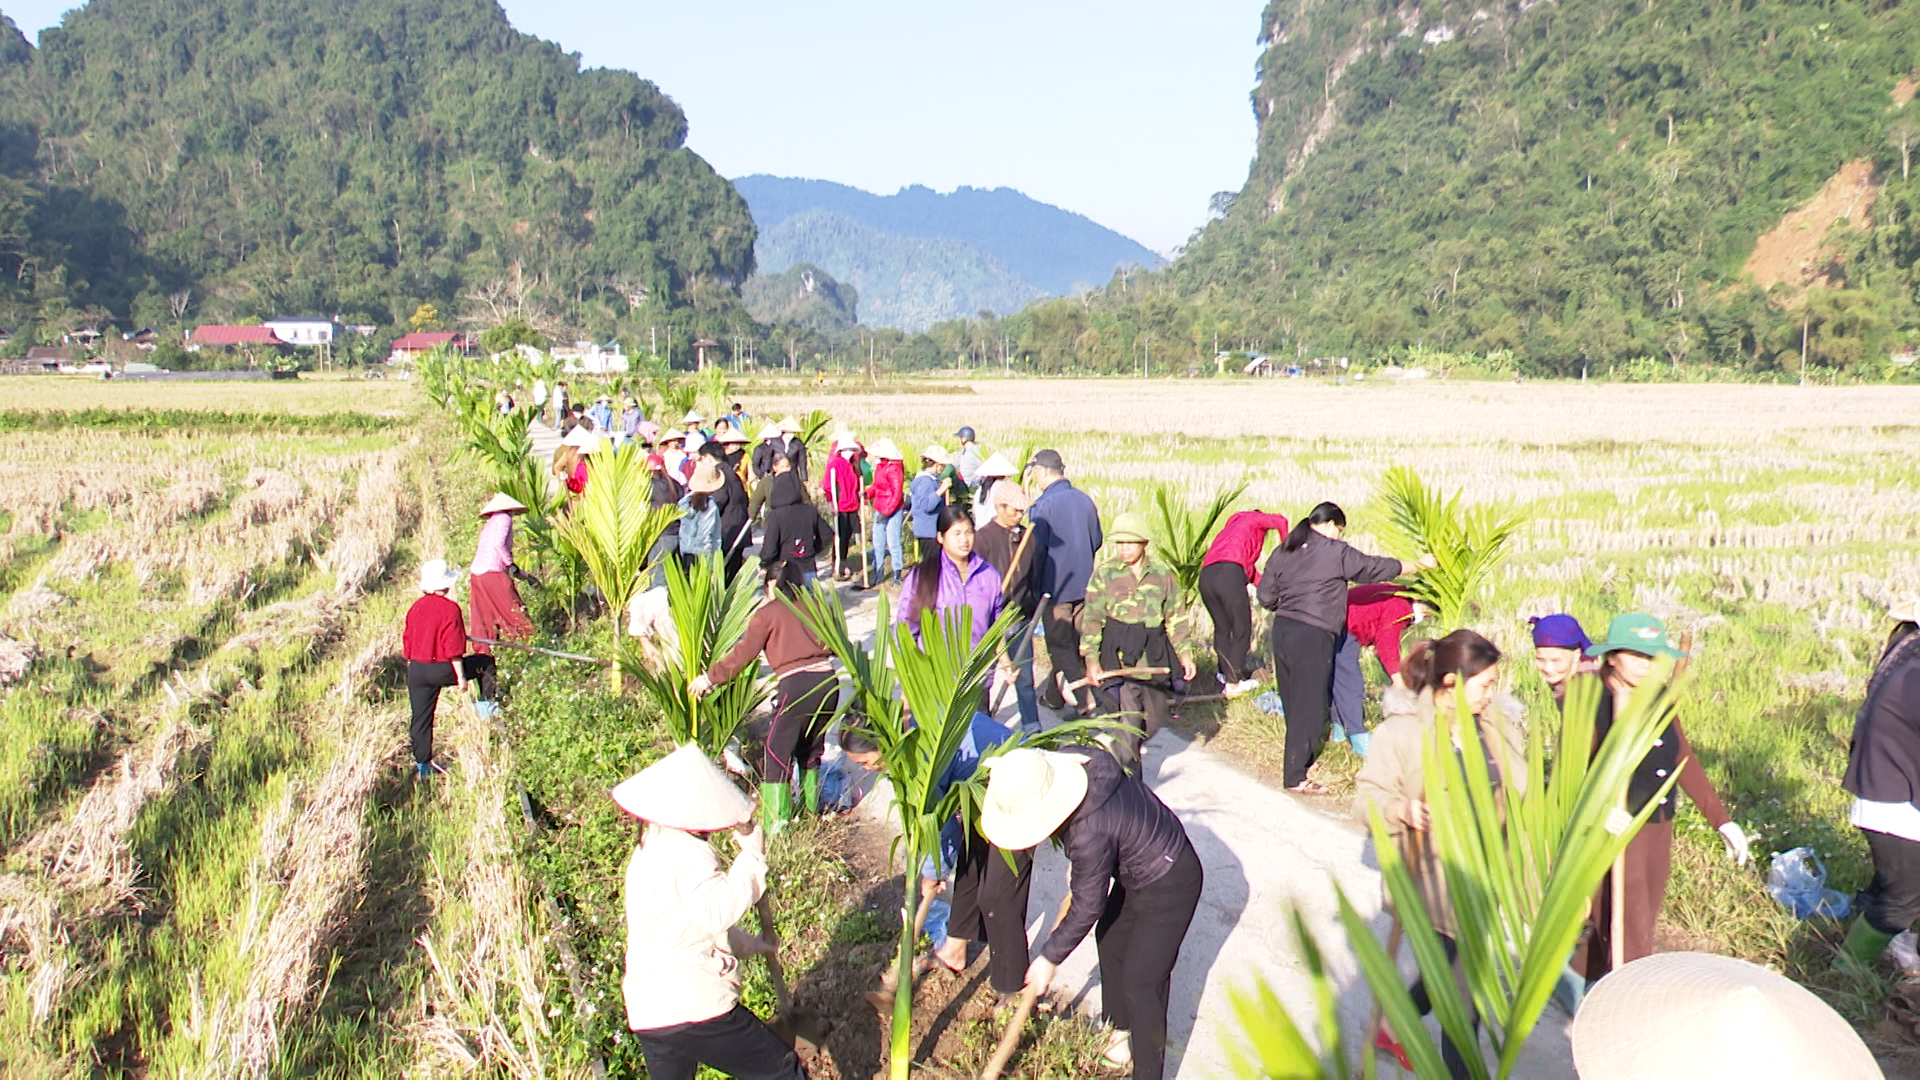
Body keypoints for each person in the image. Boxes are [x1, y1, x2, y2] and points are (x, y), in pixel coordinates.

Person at [1355, 630, 1526, 1077]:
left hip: (1482, 881)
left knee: (1442, 976)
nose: (1492, 695)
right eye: (1485, 685)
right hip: (1429, 885)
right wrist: (1401, 809)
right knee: (1461, 1003)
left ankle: (1393, 1023)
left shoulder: (1497, 730)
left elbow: (1523, 802)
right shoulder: (1403, 733)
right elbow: (1366, 799)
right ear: (1451, 681)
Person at [979, 744, 1203, 1078]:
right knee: (1111, 939)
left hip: (1170, 879)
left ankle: (1149, 1073)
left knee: (1142, 982)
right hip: (1137, 868)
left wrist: (1048, 959)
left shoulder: (1088, 831)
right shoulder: (1077, 762)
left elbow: (1088, 904)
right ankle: (1118, 1031)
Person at [612, 745, 803, 1080]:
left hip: (649, 1011)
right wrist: (751, 855)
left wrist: (756, 945)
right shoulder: (687, 852)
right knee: (781, 1071)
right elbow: (717, 912)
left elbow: (692, 925)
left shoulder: (648, 850)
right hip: (692, 1004)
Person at [1576, 613, 1749, 981]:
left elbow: (1681, 756)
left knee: (1643, 915)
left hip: (1657, 825)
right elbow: (1571, 772)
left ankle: (1601, 992)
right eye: (1636, 655)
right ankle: (1624, 1003)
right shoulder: (1591, 701)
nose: (1644, 666)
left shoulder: (1658, 696)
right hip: (1617, 830)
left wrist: (1722, 820)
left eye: (1652, 658)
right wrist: (1599, 811)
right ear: (1611, 656)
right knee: (1625, 921)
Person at [842, 714, 1029, 991]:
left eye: (865, 762)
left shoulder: (922, 760)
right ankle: (954, 950)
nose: (868, 770)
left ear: (882, 744)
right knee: (970, 865)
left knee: (999, 896)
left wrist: (932, 874)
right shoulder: (908, 744)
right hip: (983, 791)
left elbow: (939, 828)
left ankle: (1013, 986)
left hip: (1019, 787)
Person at [1256, 502, 1426, 795]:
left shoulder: (1286, 548)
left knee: (1294, 699)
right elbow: (1373, 568)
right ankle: (1296, 776)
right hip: (1313, 634)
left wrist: (1285, 606)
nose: (1339, 535)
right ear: (1331, 524)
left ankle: (1297, 765)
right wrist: (1417, 565)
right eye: (1339, 529)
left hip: (1283, 629)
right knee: (1310, 706)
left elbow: (1266, 595)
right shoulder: (1335, 552)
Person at [691, 563, 837, 831]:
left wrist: (709, 678)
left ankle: (777, 824)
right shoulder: (818, 605)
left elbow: (743, 654)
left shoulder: (769, 613)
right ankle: (809, 813)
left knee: (776, 751)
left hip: (796, 686)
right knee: (810, 749)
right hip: (828, 683)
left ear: (772, 586)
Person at [1838, 598, 1920, 967]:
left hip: (1891, 793)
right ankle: (1845, 971)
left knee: (1896, 887)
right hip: (1893, 805)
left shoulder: (1905, 662)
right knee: (1903, 899)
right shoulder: (1914, 674)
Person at [1082, 513, 1194, 769]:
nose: (1124, 549)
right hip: (1121, 655)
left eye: (1130, 544)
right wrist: (1091, 659)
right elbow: (1092, 617)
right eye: (1119, 544)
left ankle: (1125, 750)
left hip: (1154, 655)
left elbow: (1176, 616)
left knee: (1152, 722)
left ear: (1144, 544)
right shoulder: (1105, 574)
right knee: (1129, 722)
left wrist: (1185, 654)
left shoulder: (1162, 574)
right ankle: (1128, 777)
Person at [1026, 449, 1104, 716]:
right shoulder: (1085, 501)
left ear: (1043, 471)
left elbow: (1036, 552)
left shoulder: (1042, 506)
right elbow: (1097, 540)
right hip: (1085, 585)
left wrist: (1034, 590)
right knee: (1073, 642)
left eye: (1034, 471)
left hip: (1055, 588)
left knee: (1060, 645)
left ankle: (1084, 698)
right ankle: (1053, 696)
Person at [402, 559, 496, 779]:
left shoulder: (415, 608)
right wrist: (461, 678)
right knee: (485, 663)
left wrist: (412, 667)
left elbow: (408, 642)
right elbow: (454, 648)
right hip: (442, 668)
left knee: (421, 718)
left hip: (417, 669)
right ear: (446, 584)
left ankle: (423, 766)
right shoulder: (450, 609)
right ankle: (486, 710)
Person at [1198, 509, 1289, 697]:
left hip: (1206, 575)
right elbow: (1280, 520)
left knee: (1223, 628)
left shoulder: (1231, 529)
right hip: (1229, 573)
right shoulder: (1254, 518)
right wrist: (1288, 551)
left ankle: (1224, 675)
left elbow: (1250, 572)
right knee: (1242, 629)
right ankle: (1233, 683)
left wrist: (1274, 592)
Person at [976, 481, 1042, 733]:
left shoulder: (1028, 536)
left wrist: (1032, 605)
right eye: (1014, 510)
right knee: (985, 677)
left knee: (1024, 675)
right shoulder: (982, 539)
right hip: (990, 619)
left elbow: (1034, 575)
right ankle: (982, 724)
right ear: (1000, 507)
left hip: (1020, 616)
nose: (1019, 515)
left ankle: (1032, 726)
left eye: (1022, 511)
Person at [898, 505, 1004, 654]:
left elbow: (996, 626)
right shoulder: (922, 577)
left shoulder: (989, 575)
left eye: (968, 532)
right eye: (957, 533)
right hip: (937, 672)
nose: (964, 540)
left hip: (978, 671)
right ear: (940, 537)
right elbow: (906, 628)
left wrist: (1005, 661)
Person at [1331, 583, 1416, 758]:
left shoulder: (1398, 595)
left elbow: (1381, 633)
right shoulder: (1402, 606)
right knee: (1350, 683)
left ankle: (1339, 730)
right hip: (1344, 624)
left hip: (1339, 618)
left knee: (1338, 680)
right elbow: (1386, 643)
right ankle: (1358, 737)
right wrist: (1398, 680)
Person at [467, 493, 537, 654]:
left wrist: (525, 576)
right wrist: (511, 564)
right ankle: (529, 645)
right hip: (492, 572)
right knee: (512, 608)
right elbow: (499, 546)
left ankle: (484, 652)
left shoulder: (490, 523)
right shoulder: (504, 519)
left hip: (477, 574)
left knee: (483, 616)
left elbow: (501, 554)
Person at [758, 471, 832, 586]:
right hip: (808, 568)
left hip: (784, 571)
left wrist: (764, 564)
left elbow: (769, 548)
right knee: (810, 603)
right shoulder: (809, 511)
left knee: (785, 603)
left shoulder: (775, 516)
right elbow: (827, 535)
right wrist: (813, 549)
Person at [698, 439, 754, 577]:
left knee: (723, 576)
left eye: (701, 460)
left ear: (707, 458)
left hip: (726, 532)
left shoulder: (720, 474)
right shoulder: (731, 472)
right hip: (737, 529)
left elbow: (719, 501)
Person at [862, 438, 908, 589]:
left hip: (893, 509)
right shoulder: (880, 466)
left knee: (893, 542)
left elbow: (896, 494)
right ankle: (878, 570)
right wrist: (866, 494)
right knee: (878, 541)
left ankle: (896, 574)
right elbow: (876, 486)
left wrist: (887, 512)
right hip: (880, 507)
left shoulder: (895, 468)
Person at [820, 436, 863, 582]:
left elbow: (856, 484)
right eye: (848, 449)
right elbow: (828, 485)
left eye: (852, 450)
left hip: (852, 505)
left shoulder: (852, 465)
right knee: (840, 536)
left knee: (848, 535)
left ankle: (843, 561)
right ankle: (838, 564)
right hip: (841, 506)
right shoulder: (835, 465)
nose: (850, 452)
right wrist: (832, 503)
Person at [1529, 613, 1596, 706]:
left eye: (1556, 661)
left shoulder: (1590, 689)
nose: (1548, 668)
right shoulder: (1564, 684)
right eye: (1541, 660)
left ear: (1577, 655)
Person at [677, 460, 728, 561]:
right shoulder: (709, 504)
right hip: (703, 555)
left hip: (686, 551)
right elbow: (706, 534)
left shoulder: (684, 502)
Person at [908, 446, 952, 562]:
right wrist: (941, 489)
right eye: (942, 465)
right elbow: (927, 505)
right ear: (936, 464)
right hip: (928, 531)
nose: (943, 468)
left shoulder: (929, 479)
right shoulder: (926, 481)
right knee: (932, 565)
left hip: (929, 530)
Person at [970, 452, 1017, 528]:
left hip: (979, 529)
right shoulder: (1003, 487)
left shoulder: (979, 490)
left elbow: (975, 512)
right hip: (995, 529)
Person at [953, 425, 983, 496]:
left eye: (960, 438)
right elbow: (955, 464)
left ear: (964, 439)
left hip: (973, 487)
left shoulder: (975, 452)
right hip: (965, 485)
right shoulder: (963, 452)